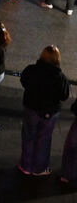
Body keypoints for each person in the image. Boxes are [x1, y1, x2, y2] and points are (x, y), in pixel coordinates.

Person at [18, 45, 70, 176]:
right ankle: (39, 168)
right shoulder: (60, 76)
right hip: (49, 113)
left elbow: (23, 81)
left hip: (31, 108)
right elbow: (64, 95)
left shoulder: (31, 69)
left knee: (28, 137)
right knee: (44, 139)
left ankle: (26, 166)